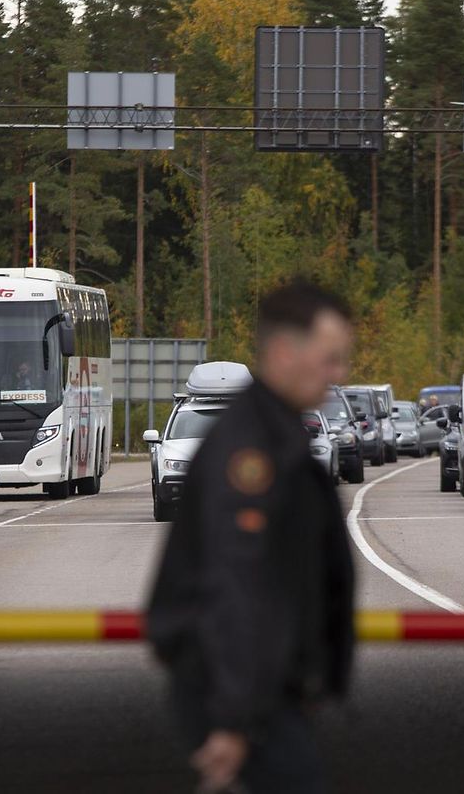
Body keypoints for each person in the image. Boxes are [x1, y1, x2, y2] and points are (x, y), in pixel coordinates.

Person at [147, 280, 357, 794]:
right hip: (241, 694)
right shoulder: (251, 454)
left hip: (262, 690)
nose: (339, 374)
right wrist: (234, 719)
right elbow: (237, 585)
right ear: (285, 352)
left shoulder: (274, 433)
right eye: (330, 359)